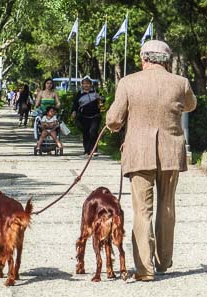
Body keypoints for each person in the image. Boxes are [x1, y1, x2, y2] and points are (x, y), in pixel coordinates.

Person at [106, 40, 197, 282]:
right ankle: (164, 260)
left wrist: (114, 125)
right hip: (170, 152)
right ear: (166, 60)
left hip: (138, 152)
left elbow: (114, 119)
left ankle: (145, 269)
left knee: (142, 210)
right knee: (167, 206)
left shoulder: (128, 83)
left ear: (143, 59)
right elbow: (190, 105)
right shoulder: (180, 83)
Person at [71, 75, 102, 156]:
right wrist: (74, 112)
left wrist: (100, 98)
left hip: (95, 116)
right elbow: (75, 104)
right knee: (86, 133)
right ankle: (87, 150)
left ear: (91, 84)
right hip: (84, 116)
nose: (86, 85)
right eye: (84, 83)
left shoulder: (95, 92)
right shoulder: (79, 94)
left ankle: (93, 150)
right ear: (82, 85)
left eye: (87, 83)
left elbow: (102, 101)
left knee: (93, 132)